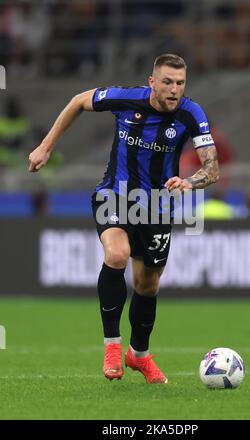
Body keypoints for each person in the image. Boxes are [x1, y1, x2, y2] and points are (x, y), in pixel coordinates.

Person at [28, 53, 219, 384]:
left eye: (180, 83)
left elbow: (212, 168)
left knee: (148, 284)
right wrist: (46, 147)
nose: (174, 90)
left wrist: (190, 181)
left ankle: (139, 356)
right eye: (167, 82)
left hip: (158, 205)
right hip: (115, 196)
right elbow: (78, 101)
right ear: (152, 82)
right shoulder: (124, 99)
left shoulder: (191, 113)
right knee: (116, 255)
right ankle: (112, 347)